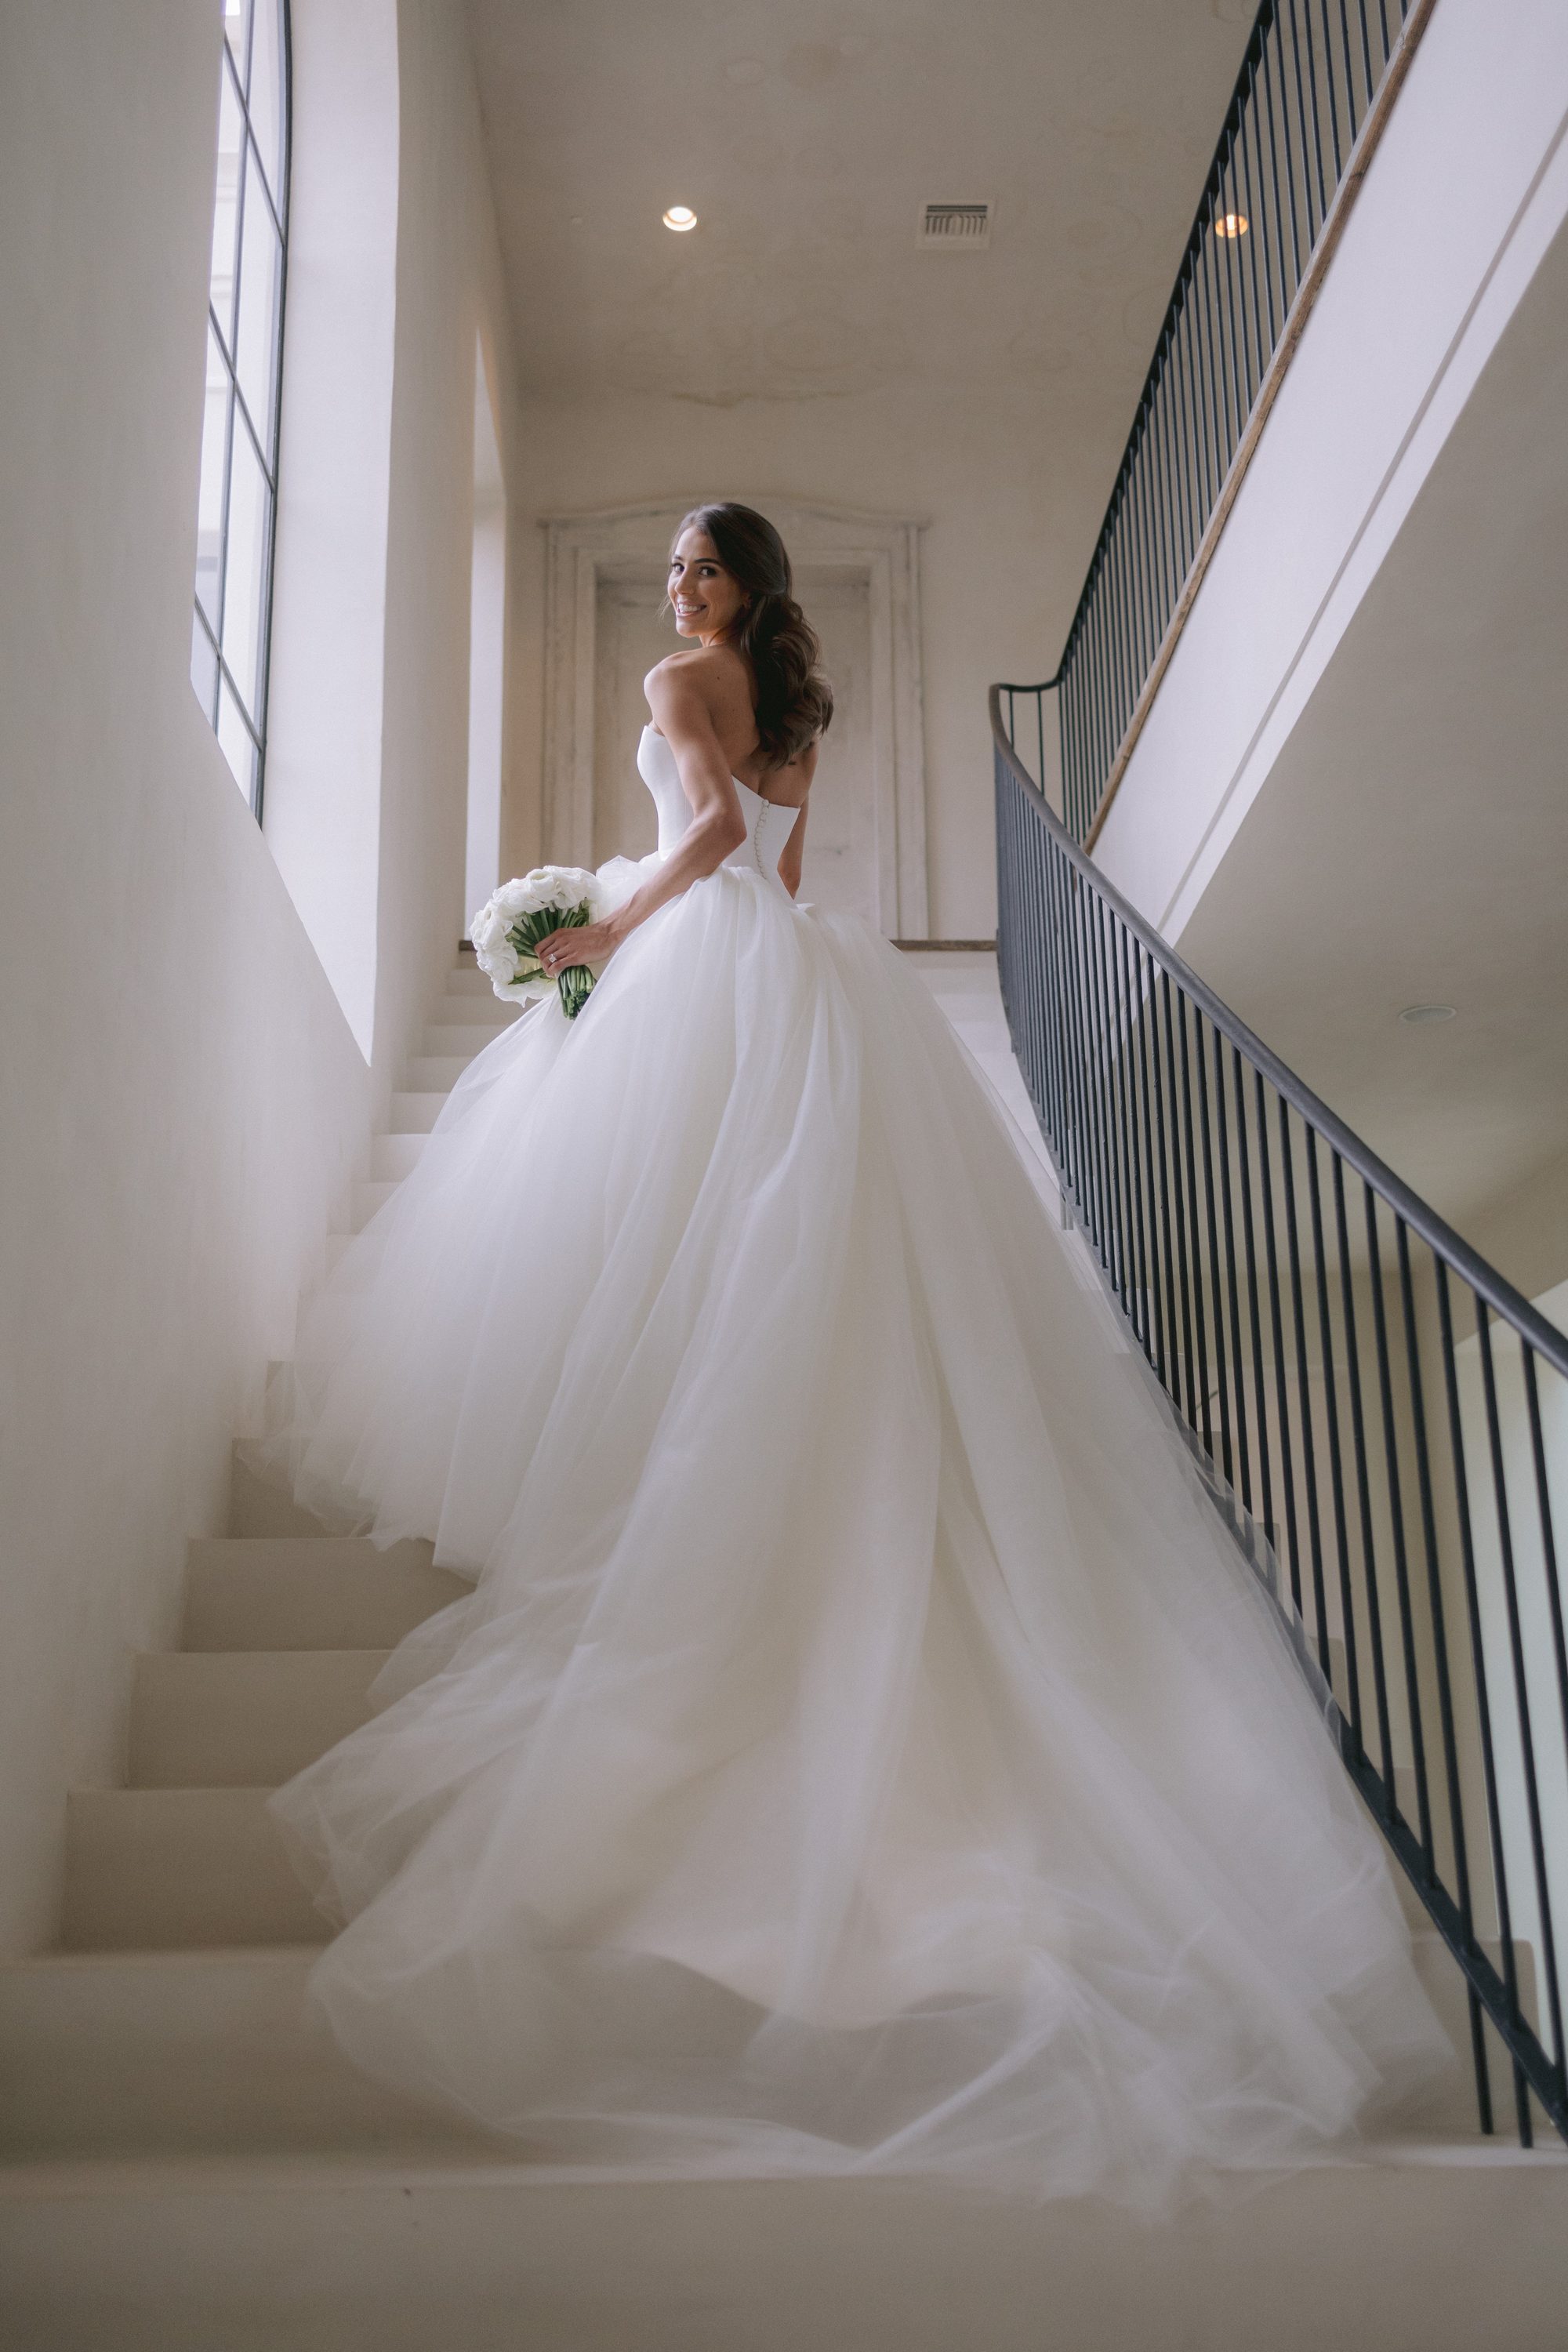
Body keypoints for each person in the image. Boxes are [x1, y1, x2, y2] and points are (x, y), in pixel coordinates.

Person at [262, 503, 1448, 2202]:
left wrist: (604, 931)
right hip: (798, 967)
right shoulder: (794, 702)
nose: (679, 589)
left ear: (744, 582)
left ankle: (656, 1469)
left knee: (678, 1213)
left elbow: (714, 844)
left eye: (701, 564)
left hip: (703, 948)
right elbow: (786, 867)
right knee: (752, 1223)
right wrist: (694, 923)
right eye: (675, 568)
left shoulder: (679, 682)